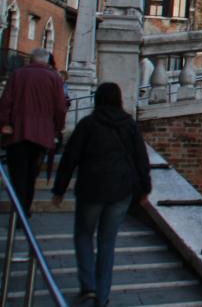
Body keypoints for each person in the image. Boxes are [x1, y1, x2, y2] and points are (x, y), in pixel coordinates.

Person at [52, 82, 150, 307]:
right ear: (119, 100)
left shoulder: (88, 124)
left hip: (91, 188)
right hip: (120, 190)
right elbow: (141, 160)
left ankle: (88, 287)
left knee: (84, 235)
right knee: (108, 242)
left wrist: (59, 189)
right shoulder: (129, 125)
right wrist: (145, 188)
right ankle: (102, 295)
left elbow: (70, 158)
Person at [0, 47, 67, 217]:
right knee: (31, 174)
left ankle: (19, 209)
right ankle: (24, 209)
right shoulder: (55, 78)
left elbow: (6, 102)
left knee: (17, 173)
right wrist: (57, 129)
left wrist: (5, 123)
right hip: (42, 134)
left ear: (31, 60)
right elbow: (60, 108)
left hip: (18, 131)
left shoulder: (17, 75)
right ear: (46, 61)